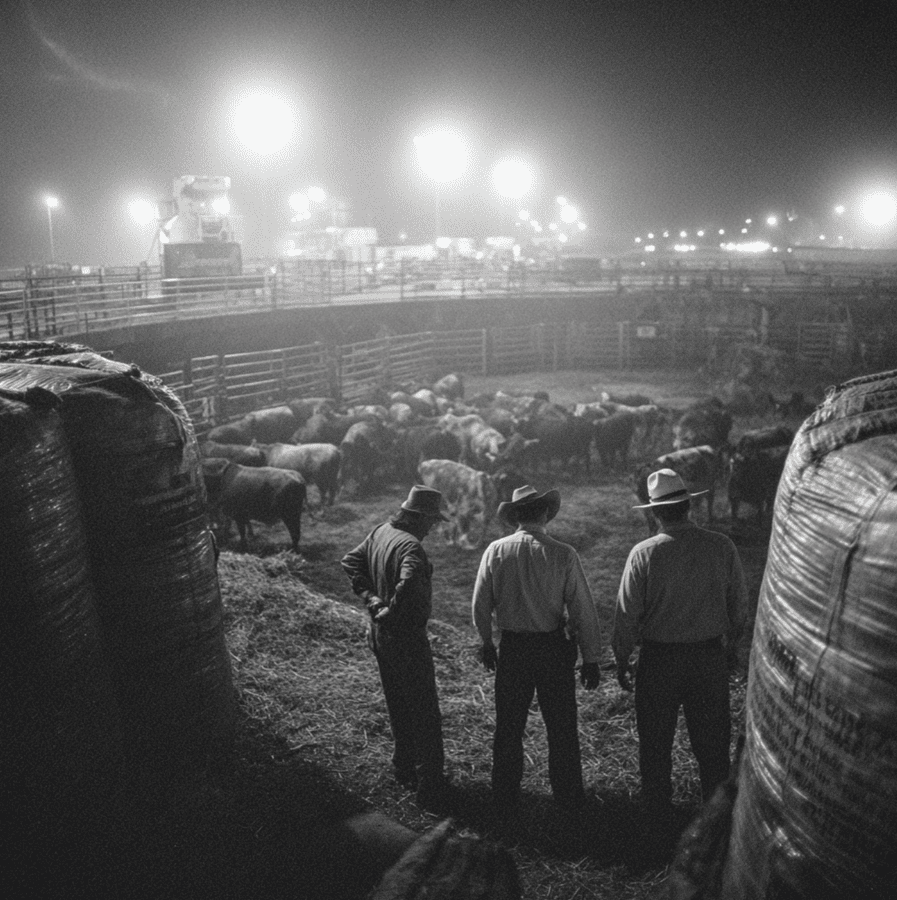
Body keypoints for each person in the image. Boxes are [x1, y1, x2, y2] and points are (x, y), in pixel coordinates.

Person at [614, 468, 748, 813]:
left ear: (655, 512)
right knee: (714, 746)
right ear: (688, 505)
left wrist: (622, 657)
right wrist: (731, 648)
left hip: (659, 661)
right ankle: (715, 821)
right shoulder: (721, 546)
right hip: (707, 658)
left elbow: (627, 613)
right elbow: (740, 606)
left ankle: (657, 817)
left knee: (655, 745)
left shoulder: (644, 553)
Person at [472, 485, 602, 807]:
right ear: (544, 513)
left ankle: (504, 798)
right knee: (561, 729)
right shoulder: (562, 553)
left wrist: (487, 642)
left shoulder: (496, 551)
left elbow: (480, 604)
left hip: (513, 650)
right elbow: (582, 610)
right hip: (552, 650)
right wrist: (591, 658)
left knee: (508, 728)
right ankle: (569, 799)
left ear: (515, 516)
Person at [340, 485, 450, 807]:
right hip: (406, 639)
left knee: (397, 703)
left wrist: (370, 599)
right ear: (419, 518)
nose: (432, 527)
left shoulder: (380, 532)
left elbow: (350, 561)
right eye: (431, 521)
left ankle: (403, 767)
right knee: (425, 712)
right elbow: (411, 581)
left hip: (380, 637)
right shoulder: (412, 548)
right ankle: (430, 787)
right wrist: (392, 607)